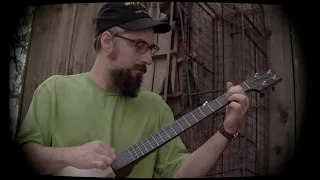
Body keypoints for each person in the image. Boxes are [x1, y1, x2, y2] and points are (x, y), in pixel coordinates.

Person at [16, 2, 249, 178]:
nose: (148, 59)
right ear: (107, 41)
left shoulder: (156, 107)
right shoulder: (54, 90)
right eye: (139, 45)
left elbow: (180, 172)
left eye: (151, 48)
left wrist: (227, 129)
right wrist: (72, 155)